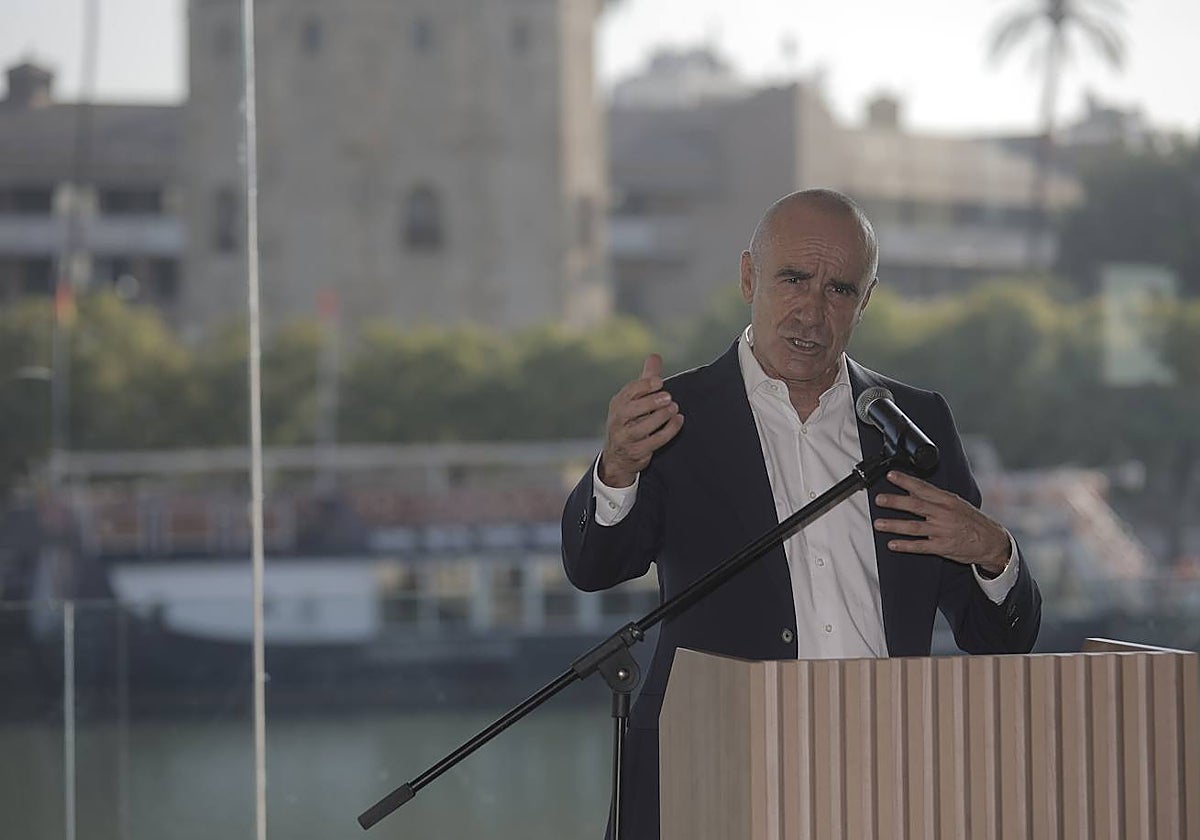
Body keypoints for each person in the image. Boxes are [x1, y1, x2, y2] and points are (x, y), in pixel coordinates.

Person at [560, 189, 1041, 839]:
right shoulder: (676, 416)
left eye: (840, 289)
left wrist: (993, 553)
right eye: (794, 279)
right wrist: (616, 471)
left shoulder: (915, 423)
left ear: (865, 301)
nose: (812, 312)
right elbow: (594, 566)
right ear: (749, 276)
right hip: (716, 772)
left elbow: (998, 639)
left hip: (888, 779)